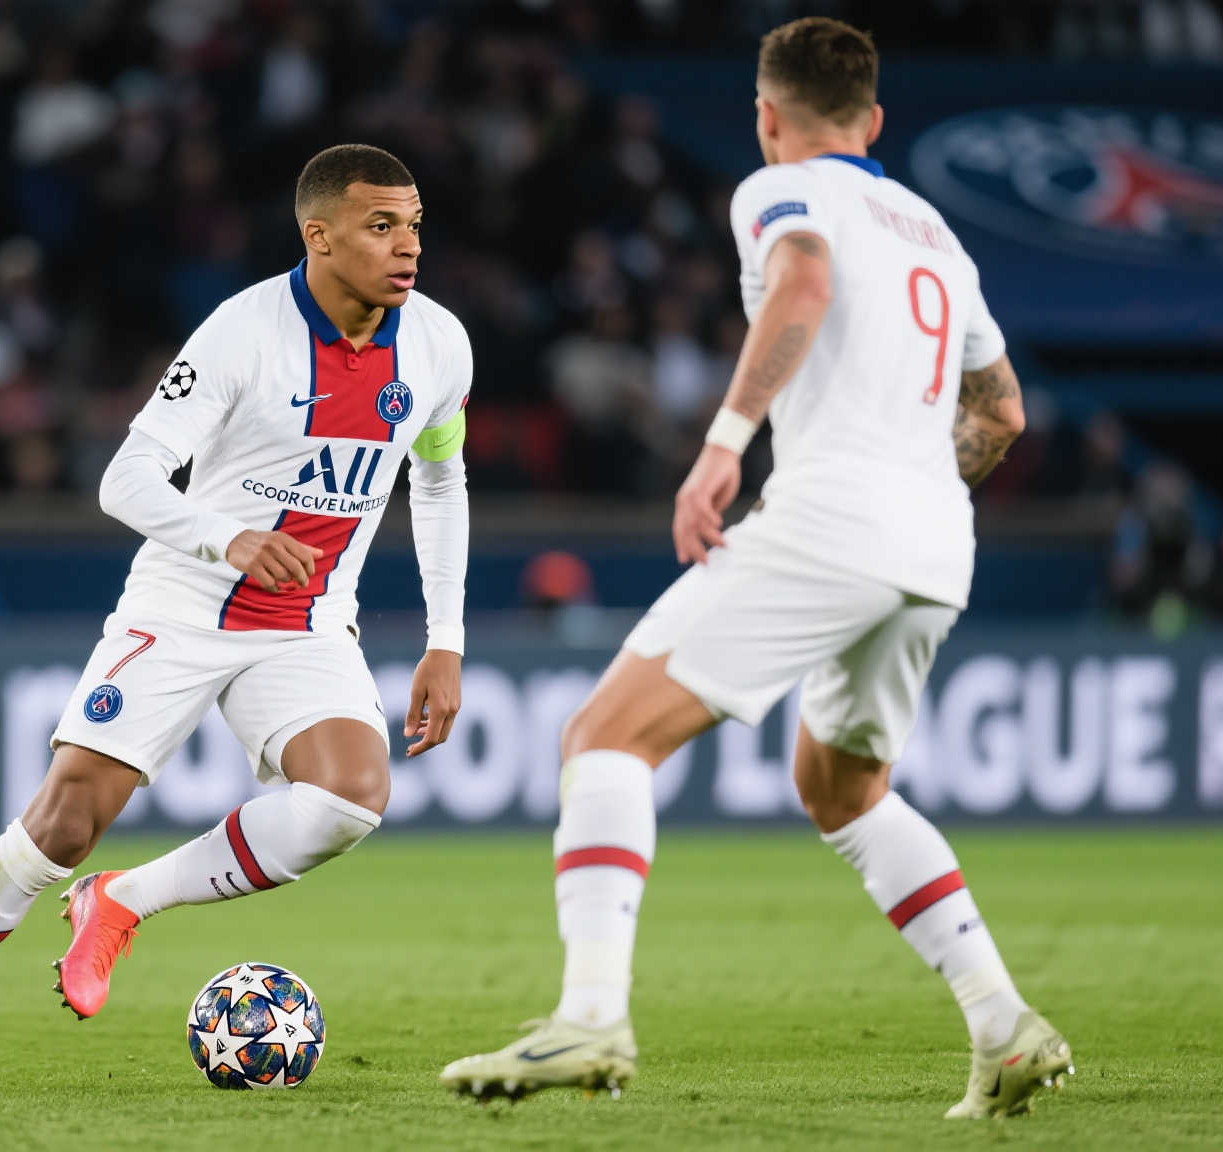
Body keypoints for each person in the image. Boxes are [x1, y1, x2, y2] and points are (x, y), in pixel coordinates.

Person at [440, 18, 1070, 1119]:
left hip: (833, 517)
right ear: (874, 121)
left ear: (768, 115)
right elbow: (1002, 411)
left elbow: (803, 284)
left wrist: (723, 444)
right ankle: (1002, 1023)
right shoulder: (935, 235)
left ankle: (589, 1018)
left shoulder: (780, 189)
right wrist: (918, 494)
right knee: (843, 789)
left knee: (603, 738)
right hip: (937, 538)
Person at [0, 144, 471, 1087]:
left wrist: (445, 640)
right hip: (186, 604)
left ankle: (123, 902)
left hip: (307, 621)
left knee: (348, 798)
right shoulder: (243, 333)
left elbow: (441, 481)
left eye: (413, 224)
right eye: (381, 226)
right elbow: (124, 479)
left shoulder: (440, 345)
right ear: (320, 235)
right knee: (63, 824)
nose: (407, 245)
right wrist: (228, 539)